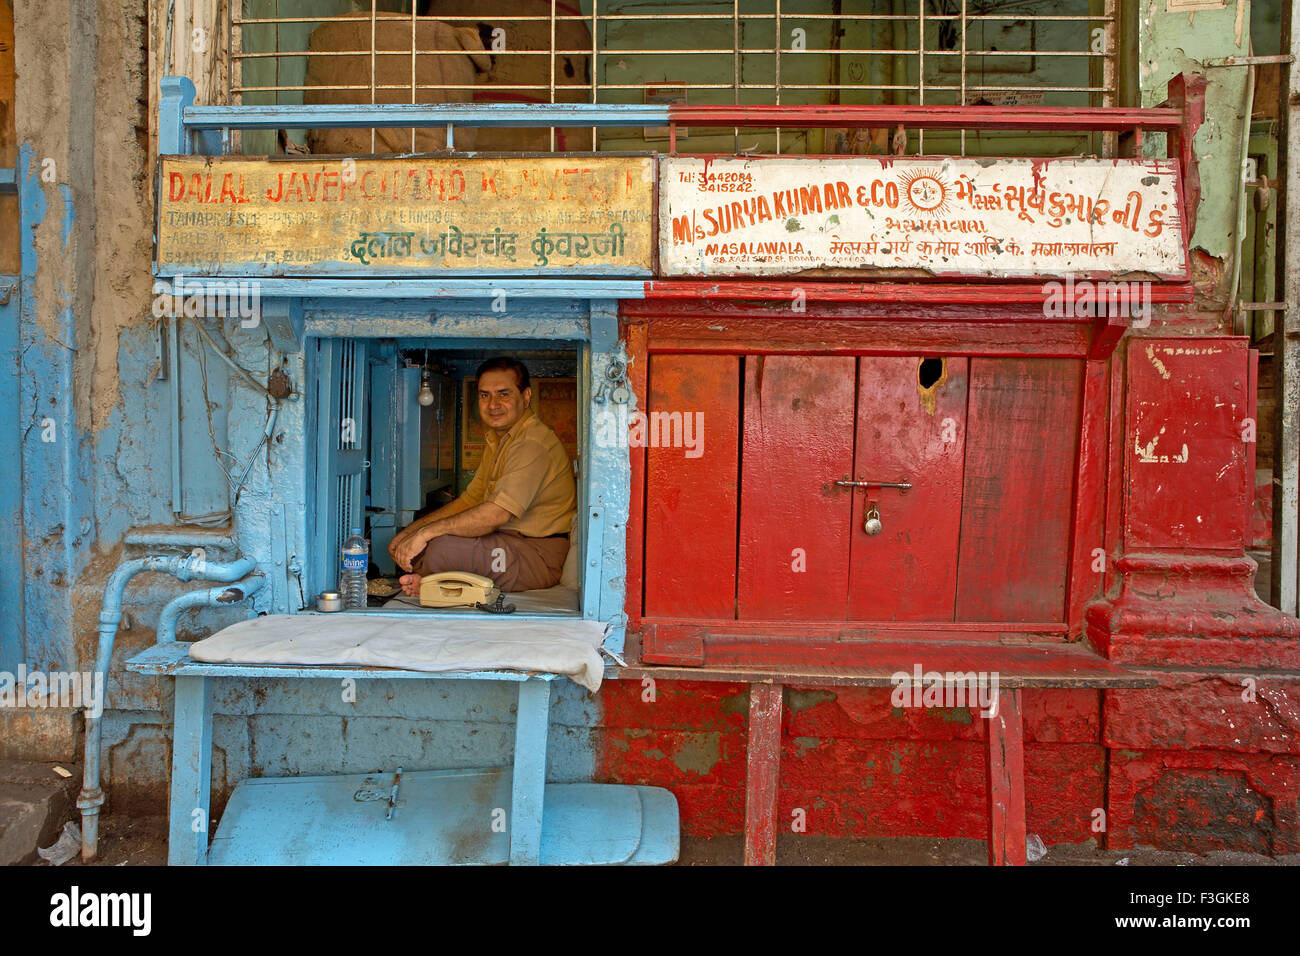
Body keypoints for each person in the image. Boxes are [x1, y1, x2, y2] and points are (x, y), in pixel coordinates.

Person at [391, 356, 576, 597]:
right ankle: (429, 579)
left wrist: (425, 534)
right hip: (503, 541)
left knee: (441, 549)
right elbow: (471, 499)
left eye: (504, 394)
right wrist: (410, 532)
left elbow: (496, 515)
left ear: (526, 396)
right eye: (484, 395)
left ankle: (429, 582)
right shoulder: (497, 439)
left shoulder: (532, 443)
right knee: (417, 547)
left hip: (537, 554)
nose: (493, 404)